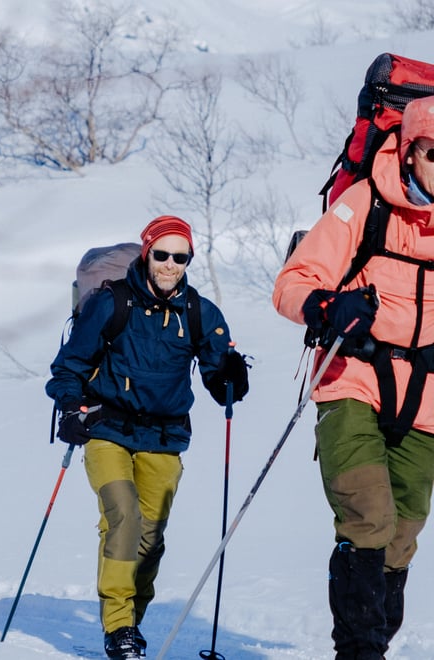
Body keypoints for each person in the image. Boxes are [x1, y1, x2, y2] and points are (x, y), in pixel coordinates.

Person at [273, 95, 434, 660]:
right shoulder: (365, 205)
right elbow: (292, 283)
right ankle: (359, 652)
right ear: (410, 150)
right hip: (353, 376)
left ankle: (373, 641)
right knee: (369, 516)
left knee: (403, 534)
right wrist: (325, 307)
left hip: (426, 396)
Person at [46, 216, 249, 660]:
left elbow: (221, 381)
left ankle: (131, 622)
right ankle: (117, 626)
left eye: (181, 257)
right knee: (123, 516)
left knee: (150, 537)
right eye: (162, 254)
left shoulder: (199, 313)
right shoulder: (110, 303)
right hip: (107, 430)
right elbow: (68, 366)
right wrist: (70, 406)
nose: (170, 265)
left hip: (165, 436)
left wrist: (232, 377)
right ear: (147, 253)